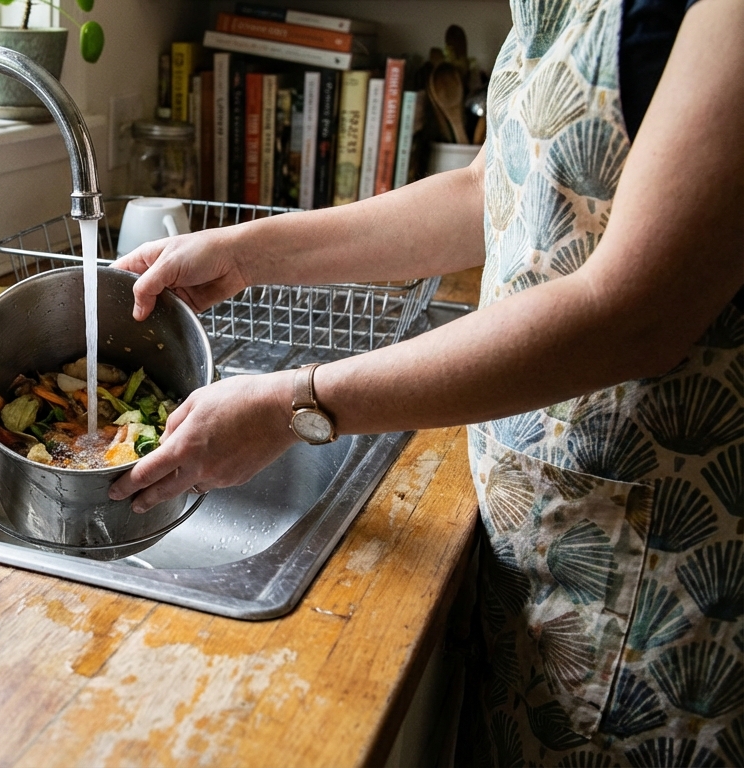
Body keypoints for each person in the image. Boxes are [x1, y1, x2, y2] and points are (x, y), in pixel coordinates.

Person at [108, 0, 744, 760]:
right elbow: (488, 190)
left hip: (662, 582)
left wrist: (293, 406)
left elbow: (635, 311)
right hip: (546, 546)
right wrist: (248, 253)